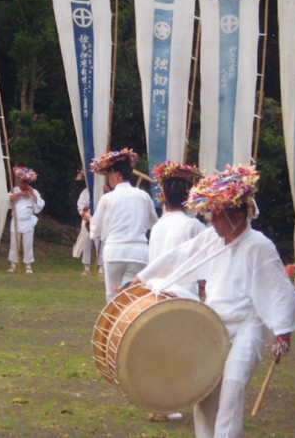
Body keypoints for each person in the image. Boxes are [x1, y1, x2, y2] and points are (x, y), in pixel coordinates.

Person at [133, 165, 295, 438]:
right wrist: (143, 277)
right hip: (213, 324)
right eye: (211, 215)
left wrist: (283, 332)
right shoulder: (212, 238)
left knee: (232, 389)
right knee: (204, 391)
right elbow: (180, 256)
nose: (213, 221)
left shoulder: (260, 246)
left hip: (247, 327)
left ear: (240, 214)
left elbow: (280, 290)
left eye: (218, 216)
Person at [146, 160, 204, 424]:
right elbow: (203, 263)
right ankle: (174, 400)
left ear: (164, 197)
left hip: (158, 294)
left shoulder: (158, 226)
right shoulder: (193, 226)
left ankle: (162, 404)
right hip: (184, 296)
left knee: (163, 351)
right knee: (184, 353)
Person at [82, 148, 158, 302]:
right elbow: (153, 224)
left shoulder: (108, 198)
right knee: (133, 298)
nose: (108, 179)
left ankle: (114, 326)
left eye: (109, 174)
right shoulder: (143, 196)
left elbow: (95, 229)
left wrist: (88, 218)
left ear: (117, 175)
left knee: (113, 298)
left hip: (115, 252)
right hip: (139, 253)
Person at [7, 166, 45, 274]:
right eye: (20, 183)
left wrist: (31, 194)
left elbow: (40, 204)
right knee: (14, 244)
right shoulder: (15, 190)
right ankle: (13, 265)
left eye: (24, 183)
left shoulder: (33, 192)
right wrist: (20, 194)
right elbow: (9, 199)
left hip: (27, 221)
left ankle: (28, 265)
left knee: (28, 244)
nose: (21, 185)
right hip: (16, 221)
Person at [73, 170, 100, 276]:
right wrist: (84, 211)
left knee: (99, 243)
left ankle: (101, 267)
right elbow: (80, 206)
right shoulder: (85, 192)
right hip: (86, 220)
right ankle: (86, 267)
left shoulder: (101, 191)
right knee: (86, 244)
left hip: (98, 220)